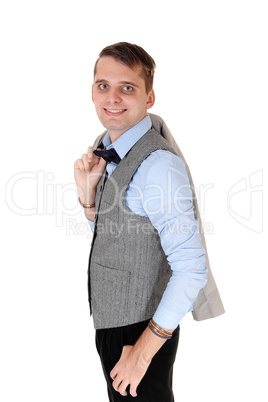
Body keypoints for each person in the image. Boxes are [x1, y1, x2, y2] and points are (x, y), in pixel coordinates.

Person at [74, 42, 224, 401]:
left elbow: (191, 269)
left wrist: (142, 353)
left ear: (149, 97)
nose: (112, 97)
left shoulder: (157, 165)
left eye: (127, 87)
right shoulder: (107, 148)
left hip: (139, 334)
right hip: (116, 328)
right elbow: (118, 235)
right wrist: (89, 197)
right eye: (103, 85)